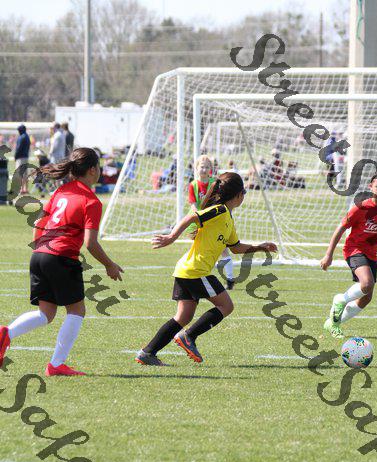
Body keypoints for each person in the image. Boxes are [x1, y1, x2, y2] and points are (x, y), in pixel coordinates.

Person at [0, 147, 123, 375]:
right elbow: (91, 243)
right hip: (61, 258)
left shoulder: (61, 191)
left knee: (45, 314)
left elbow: (39, 224)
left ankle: (5, 334)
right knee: (77, 311)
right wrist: (110, 265)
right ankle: (56, 364)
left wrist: (42, 251)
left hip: (39, 255)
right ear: (93, 170)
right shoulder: (91, 201)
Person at [135, 172, 277, 366]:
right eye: (244, 192)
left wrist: (260, 247)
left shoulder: (227, 218)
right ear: (238, 195)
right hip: (196, 271)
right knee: (226, 306)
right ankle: (188, 336)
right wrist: (171, 237)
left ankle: (147, 353)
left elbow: (235, 248)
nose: (244, 196)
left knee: (183, 316)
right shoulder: (219, 211)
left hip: (186, 270)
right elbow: (191, 217)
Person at [321, 171, 377, 338]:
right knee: (366, 283)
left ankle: (333, 323)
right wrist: (328, 255)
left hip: (371, 254)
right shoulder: (361, 207)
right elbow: (341, 228)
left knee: (366, 297)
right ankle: (341, 300)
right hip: (354, 250)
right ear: (370, 187)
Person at [187, 155, 235, 290]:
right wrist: (200, 217)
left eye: (207, 167)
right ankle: (195, 277)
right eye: (202, 167)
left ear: (211, 169)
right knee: (198, 249)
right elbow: (193, 205)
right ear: (196, 168)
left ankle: (230, 279)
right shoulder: (193, 185)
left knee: (223, 249)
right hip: (199, 221)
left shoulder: (215, 183)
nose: (204, 169)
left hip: (215, 220)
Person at [15, 124, 31, 194]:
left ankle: (21, 189)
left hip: (20, 157)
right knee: (25, 174)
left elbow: (18, 148)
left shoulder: (21, 137)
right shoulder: (27, 136)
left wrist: (15, 156)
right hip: (26, 157)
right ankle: (26, 189)